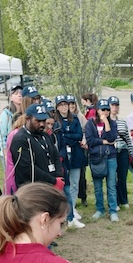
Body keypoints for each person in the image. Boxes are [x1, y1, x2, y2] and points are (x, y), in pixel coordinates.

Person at [10, 104, 64, 191]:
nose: (42, 124)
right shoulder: (20, 139)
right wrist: (53, 181)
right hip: (32, 190)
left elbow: (56, 156)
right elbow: (27, 168)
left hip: (51, 185)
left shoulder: (45, 135)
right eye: (38, 121)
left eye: (43, 120)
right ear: (28, 119)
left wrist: (59, 176)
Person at [54, 95, 87, 228]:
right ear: (57, 107)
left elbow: (79, 135)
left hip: (75, 153)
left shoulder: (74, 119)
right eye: (61, 105)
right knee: (65, 184)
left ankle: (72, 207)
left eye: (65, 104)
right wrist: (69, 137)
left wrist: (67, 136)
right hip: (62, 155)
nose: (64, 107)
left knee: (75, 182)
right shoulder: (56, 121)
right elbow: (59, 137)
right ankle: (66, 211)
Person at [84, 99, 119, 222]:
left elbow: (112, 138)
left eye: (107, 110)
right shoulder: (90, 123)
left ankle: (113, 210)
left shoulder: (113, 123)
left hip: (110, 157)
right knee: (98, 186)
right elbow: (90, 141)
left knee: (111, 186)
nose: (105, 112)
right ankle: (100, 209)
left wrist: (106, 123)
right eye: (103, 109)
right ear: (97, 110)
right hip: (96, 158)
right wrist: (104, 141)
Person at [108, 96, 132, 210]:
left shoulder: (122, 122)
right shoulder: (105, 122)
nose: (114, 107)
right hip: (111, 151)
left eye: (116, 105)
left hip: (123, 150)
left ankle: (123, 199)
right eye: (112, 105)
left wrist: (130, 153)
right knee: (112, 177)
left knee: (122, 176)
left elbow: (127, 138)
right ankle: (114, 201)